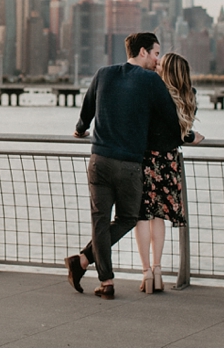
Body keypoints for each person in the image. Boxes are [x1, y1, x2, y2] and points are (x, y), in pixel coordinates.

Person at [65, 32, 179, 300]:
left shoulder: (103, 73)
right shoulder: (151, 80)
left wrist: (81, 129)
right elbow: (171, 119)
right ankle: (82, 260)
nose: (157, 59)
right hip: (129, 164)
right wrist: (186, 137)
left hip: (99, 160)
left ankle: (104, 280)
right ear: (142, 51)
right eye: (155, 53)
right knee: (127, 218)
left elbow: (86, 111)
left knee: (100, 221)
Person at [134, 51, 203, 294]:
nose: (155, 64)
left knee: (142, 216)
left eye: (160, 64)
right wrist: (194, 137)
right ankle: (159, 269)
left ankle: (146, 273)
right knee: (159, 216)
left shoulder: (154, 92)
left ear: (167, 70)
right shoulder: (189, 96)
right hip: (169, 161)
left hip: (145, 159)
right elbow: (182, 133)